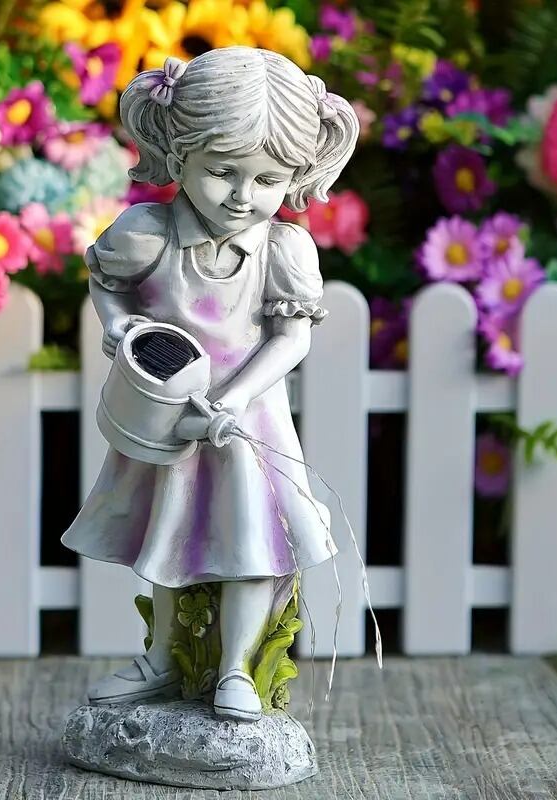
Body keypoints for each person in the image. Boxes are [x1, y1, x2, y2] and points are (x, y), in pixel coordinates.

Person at [61, 46, 359, 721]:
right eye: (222, 172)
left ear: (295, 175)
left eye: (267, 179)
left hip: (247, 423)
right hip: (168, 416)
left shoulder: (283, 249)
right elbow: (107, 282)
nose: (242, 196)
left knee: (254, 545)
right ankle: (164, 660)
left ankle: (236, 671)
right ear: (179, 157)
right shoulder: (147, 233)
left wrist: (235, 398)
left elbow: (291, 338)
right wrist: (118, 324)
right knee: (170, 537)